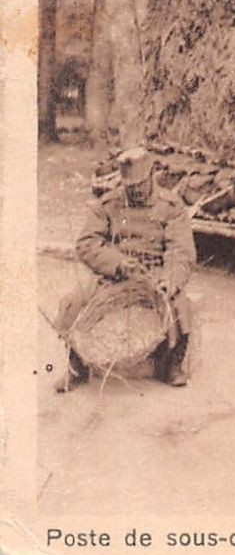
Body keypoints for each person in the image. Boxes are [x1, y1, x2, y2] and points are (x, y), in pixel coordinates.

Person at [55, 146, 198, 390]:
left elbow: (181, 251)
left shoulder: (171, 207)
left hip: (155, 274)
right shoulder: (108, 203)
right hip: (115, 276)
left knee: (180, 307)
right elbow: (87, 243)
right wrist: (118, 263)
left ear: (151, 175)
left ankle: (172, 363)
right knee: (72, 303)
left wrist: (168, 279)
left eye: (139, 185)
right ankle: (76, 366)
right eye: (129, 186)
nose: (134, 191)